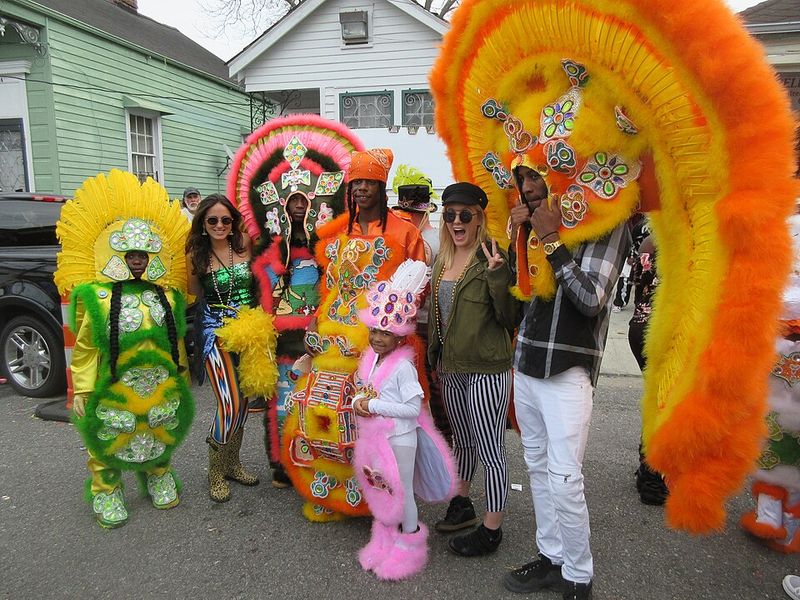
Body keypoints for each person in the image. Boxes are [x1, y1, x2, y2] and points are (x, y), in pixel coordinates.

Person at [503, 158, 629, 599]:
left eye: (538, 176)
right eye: (523, 180)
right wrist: (517, 241)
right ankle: (552, 556)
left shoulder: (606, 225)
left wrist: (551, 238)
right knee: (537, 466)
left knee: (564, 476)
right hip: (527, 361)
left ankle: (579, 574)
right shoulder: (529, 226)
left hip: (568, 370)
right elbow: (517, 298)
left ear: (563, 176)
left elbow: (591, 298)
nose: (530, 187)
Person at [281, 148, 427, 522]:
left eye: (369, 182)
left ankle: (371, 499)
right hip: (332, 337)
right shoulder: (336, 233)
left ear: (381, 186)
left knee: (367, 420)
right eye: (356, 182)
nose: (362, 189)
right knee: (321, 409)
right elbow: (330, 286)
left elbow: (415, 294)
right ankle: (329, 492)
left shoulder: (405, 232)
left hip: (376, 341)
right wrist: (315, 318)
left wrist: (387, 333)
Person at [54, 169, 193, 529]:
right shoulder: (98, 297)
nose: (136, 260)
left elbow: (175, 339)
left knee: (160, 427)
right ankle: (107, 488)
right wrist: (82, 388)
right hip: (114, 383)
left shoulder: (167, 294)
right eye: (130, 254)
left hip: (158, 381)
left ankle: (158, 472)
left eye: (143, 254)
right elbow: (84, 347)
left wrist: (182, 374)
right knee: (111, 433)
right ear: (118, 255)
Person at [230, 116, 362, 490]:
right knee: (282, 400)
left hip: (320, 339)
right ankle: (281, 462)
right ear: (281, 208)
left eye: (306, 201)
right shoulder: (268, 254)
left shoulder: (330, 252)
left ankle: (323, 459)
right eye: (293, 202)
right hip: (280, 341)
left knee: (322, 399)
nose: (300, 207)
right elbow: (260, 297)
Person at [428, 182, 522, 556]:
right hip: (451, 369)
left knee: (490, 447)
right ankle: (462, 502)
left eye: (465, 214)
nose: (456, 221)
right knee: (463, 441)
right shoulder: (442, 260)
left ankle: (492, 528)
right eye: (450, 214)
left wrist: (499, 276)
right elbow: (439, 318)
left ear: (480, 217)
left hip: (486, 369)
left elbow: (510, 316)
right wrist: (434, 358)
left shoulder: (492, 257)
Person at [352, 259, 456, 580]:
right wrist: (361, 401)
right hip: (378, 438)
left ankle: (409, 545)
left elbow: (412, 408)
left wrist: (374, 405)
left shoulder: (402, 367)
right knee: (381, 488)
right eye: (374, 330)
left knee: (403, 492)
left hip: (400, 438)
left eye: (386, 332)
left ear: (399, 337)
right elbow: (366, 390)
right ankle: (384, 539)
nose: (378, 338)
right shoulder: (370, 360)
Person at [186, 194, 261, 503]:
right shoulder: (196, 255)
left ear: (233, 222)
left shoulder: (244, 244)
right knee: (229, 403)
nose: (219, 225)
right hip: (215, 333)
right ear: (203, 224)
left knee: (243, 404)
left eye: (225, 220)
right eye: (212, 220)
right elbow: (193, 293)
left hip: (249, 331)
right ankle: (215, 471)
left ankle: (232, 464)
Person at [740, 213, 800, 554]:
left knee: (773, 430)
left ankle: (771, 515)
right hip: (778, 345)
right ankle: (783, 519)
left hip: (777, 345)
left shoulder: (776, 216)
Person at [391, 165, 451, 442]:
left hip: (428, 324)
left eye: (413, 212)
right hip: (404, 325)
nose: (408, 216)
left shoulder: (437, 238)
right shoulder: (402, 234)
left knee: (432, 389)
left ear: (425, 210)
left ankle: (443, 447)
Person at [627, 233, 669, 505]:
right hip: (661, 332)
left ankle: (650, 468)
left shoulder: (647, 240)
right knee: (664, 401)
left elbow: (635, 282)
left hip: (639, 328)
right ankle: (652, 476)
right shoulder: (678, 241)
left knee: (657, 398)